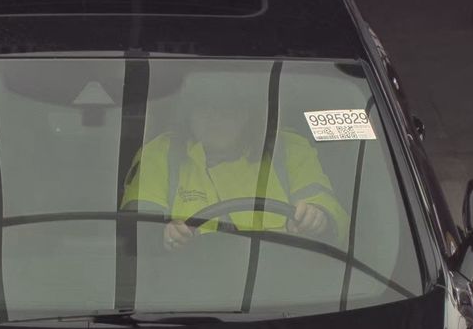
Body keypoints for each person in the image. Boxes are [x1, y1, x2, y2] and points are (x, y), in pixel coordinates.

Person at [121, 75, 348, 251]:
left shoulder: (289, 149)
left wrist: (319, 217)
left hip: (284, 288)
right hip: (184, 292)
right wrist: (163, 235)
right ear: (187, 113)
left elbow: (327, 206)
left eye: (229, 108)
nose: (216, 117)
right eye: (204, 106)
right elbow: (135, 229)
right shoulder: (158, 154)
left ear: (249, 113)